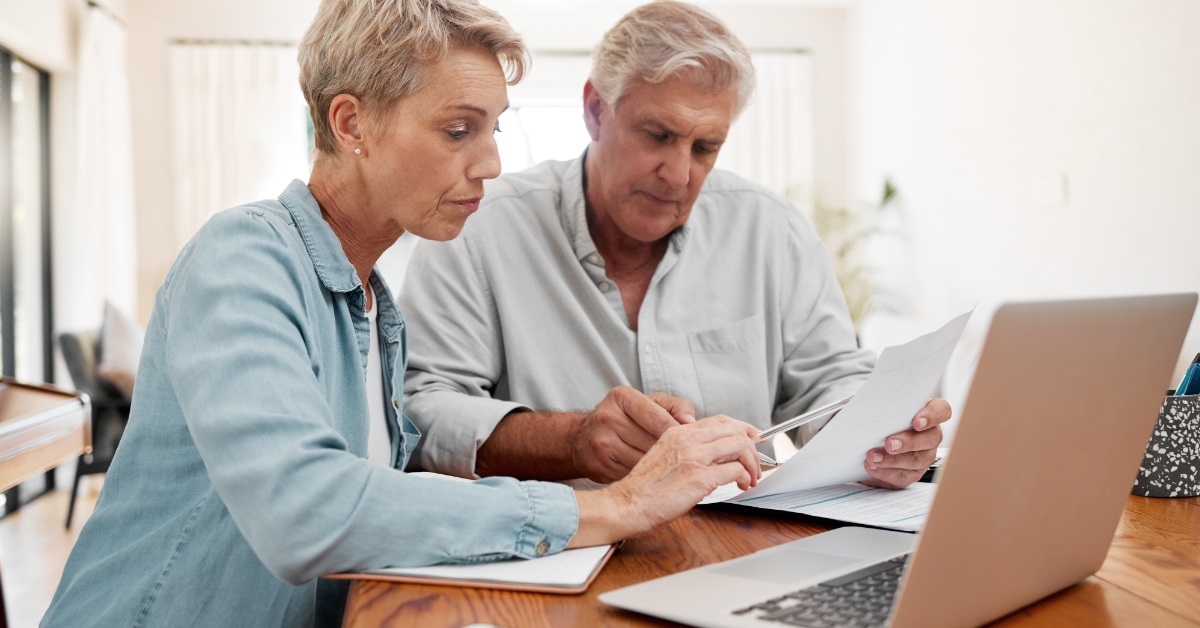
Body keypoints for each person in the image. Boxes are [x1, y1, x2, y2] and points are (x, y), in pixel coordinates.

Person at [41, 1, 762, 626]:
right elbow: (307, 511)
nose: (490, 164)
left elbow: (381, 498)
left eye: (494, 130)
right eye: (458, 130)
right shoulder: (243, 258)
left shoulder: (372, 305)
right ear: (351, 123)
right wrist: (614, 507)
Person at [399, 0, 951, 491]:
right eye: (658, 135)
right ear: (594, 109)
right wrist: (573, 440)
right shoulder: (478, 228)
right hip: (556, 547)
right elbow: (421, 412)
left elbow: (831, 381)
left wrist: (884, 434)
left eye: (706, 146)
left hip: (737, 547)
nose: (679, 174)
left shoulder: (770, 230)